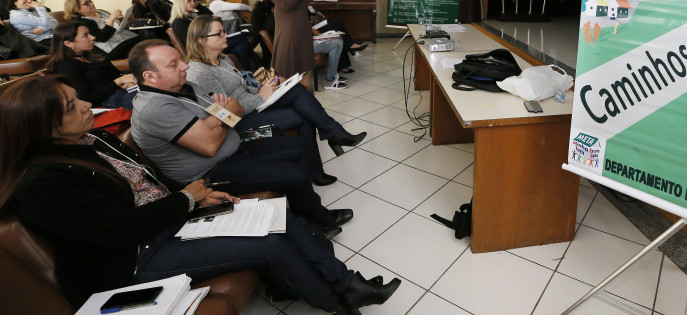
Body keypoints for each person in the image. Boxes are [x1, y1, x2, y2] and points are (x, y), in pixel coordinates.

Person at [0, 74, 400, 313]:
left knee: (273, 211)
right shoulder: (43, 182)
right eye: (72, 106)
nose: (88, 104)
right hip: (131, 259)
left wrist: (194, 197)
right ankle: (334, 303)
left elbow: (147, 184)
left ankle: (346, 283)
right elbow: (121, 231)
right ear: (43, 127)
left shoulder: (91, 140)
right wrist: (187, 199)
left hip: (161, 225)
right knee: (268, 245)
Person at [127, 40, 352, 232]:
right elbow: (210, 144)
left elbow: (235, 109)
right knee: (295, 173)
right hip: (211, 173)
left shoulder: (185, 85)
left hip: (235, 144)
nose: (185, 66)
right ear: (150, 76)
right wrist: (226, 114)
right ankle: (321, 221)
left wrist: (220, 117)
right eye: (173, 65)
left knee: (299, 145)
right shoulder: (155, 108)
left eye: (180, 60)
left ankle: (304, 213)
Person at [184, 16, 366, 185]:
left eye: (224, 31)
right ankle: (330, 140)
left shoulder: (222, 59)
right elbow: (227, 115)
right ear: (200, 40)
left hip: (253, 104)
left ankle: (322, 155)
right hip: (239, 123)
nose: (226, 35)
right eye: (220, 33)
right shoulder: (200, 73)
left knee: (297, 93)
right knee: (303, 109)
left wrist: (263, 87)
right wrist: (261, 96)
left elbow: (241, 88)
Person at [253, 0, 347, 89]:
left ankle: (296, 102)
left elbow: (287, 4)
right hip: (287, 29)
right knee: (291, 69)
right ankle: (298, 102)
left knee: (289, 70)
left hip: (292, 31)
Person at [46, 22, 138, 109]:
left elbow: (116, 75)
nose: (92, 37)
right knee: (149, 99)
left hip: (124, 91)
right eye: (85, 35)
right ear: (69, 43)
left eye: (89, 33)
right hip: (107, 102)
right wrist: (118, 81)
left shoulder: (91, 53)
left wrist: (126, 83)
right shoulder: (65, 67)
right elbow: (87, 100)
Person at [62, 0, 142, 60]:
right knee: (146, 40)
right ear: (76, 9)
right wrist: (111, 19)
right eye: (87, 3)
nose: (92, 4)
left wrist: (126, 21)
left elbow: (118, 29)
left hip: (127, 39)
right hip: (114, 48)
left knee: (148, 37)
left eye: (90, 1)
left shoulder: (101, 12)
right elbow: (102, 38)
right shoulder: (81, 21)